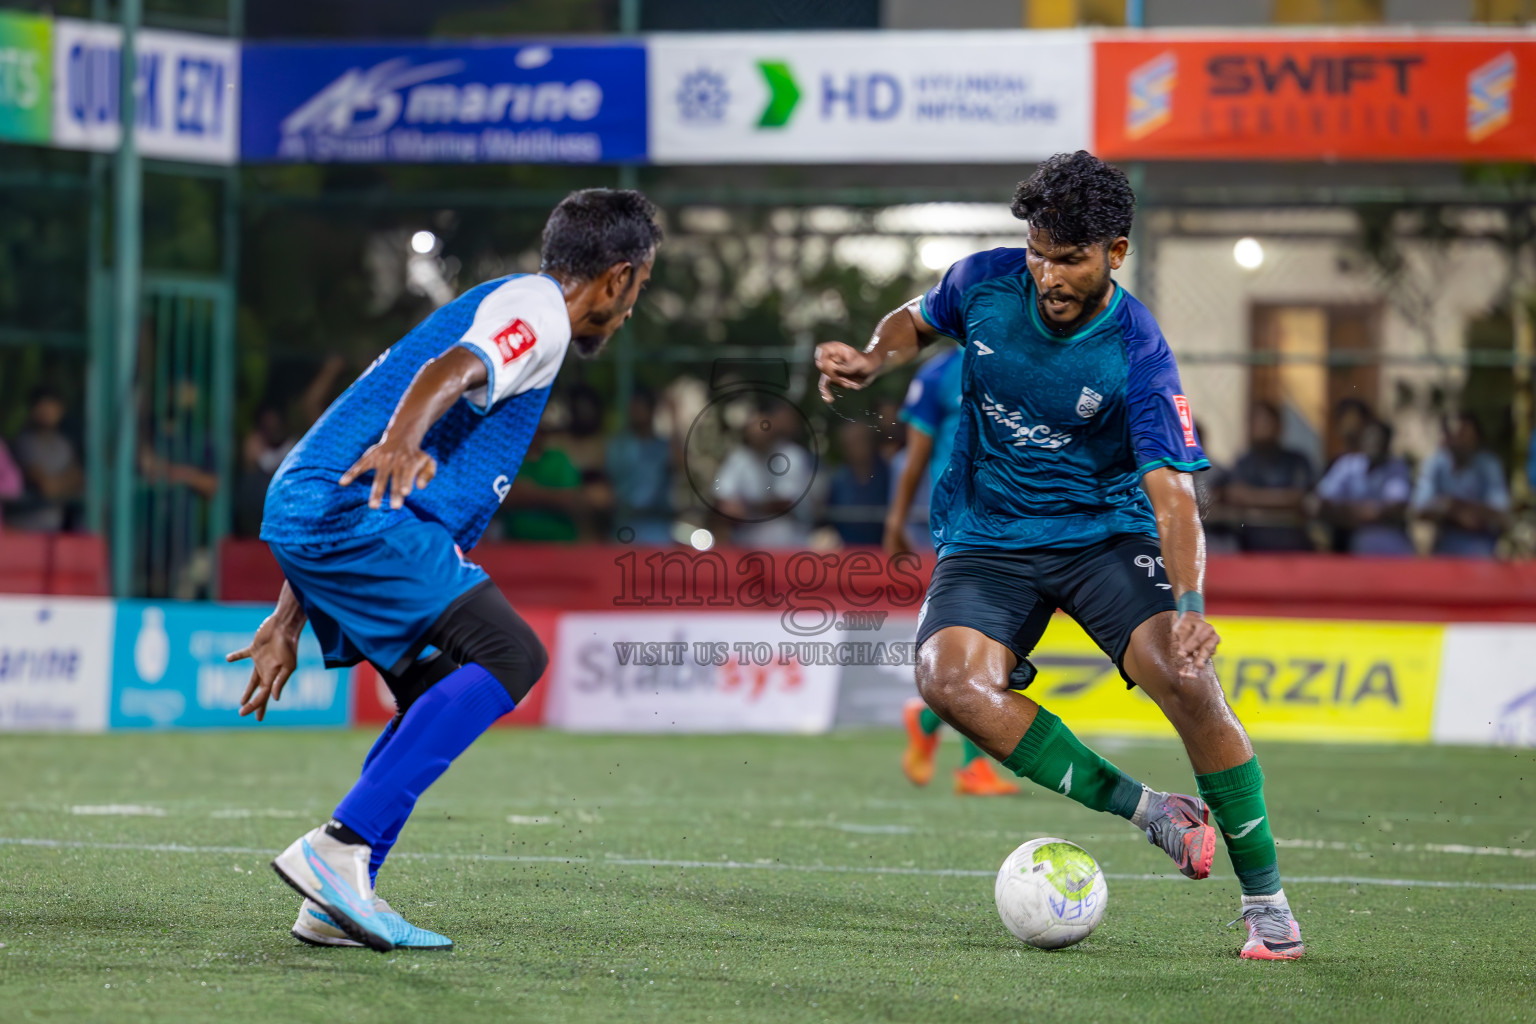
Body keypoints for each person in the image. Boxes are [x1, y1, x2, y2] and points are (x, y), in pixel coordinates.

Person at [814, 151, 1302, 960]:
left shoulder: (1138, 353)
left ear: (1115, 251)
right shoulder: (983, 282)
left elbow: (1173, 496)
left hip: (1101, 536)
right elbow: (914, 317)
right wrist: (873, 356)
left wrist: (1188, 610)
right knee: (947, 681)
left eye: (1068, 257)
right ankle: (1153, 812)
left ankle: (1267, 903)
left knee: (1186, 677)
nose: (1046, 275)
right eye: (1038, 252)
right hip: (988, 536)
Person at [228, 189, 661, 953]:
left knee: (431, 692)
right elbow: (453, 368)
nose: (630, 309)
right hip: (356, 518)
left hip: (324, 515)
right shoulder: (542, 310)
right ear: (620, 277)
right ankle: (339, 851)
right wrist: (402, 440)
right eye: (641, 289)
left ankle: (338, 898)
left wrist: (286, 617)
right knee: (512, 654)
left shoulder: (514, 303)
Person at [885, 345, 1019, 796]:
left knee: (992, 644)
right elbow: (915, 453)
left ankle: (926, 721)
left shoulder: (1020, 359)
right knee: (981, 639)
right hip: (963, 520)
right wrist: (896, 518)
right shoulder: (939, 373)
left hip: (1016, 515)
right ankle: (971, 766)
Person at [713, 399, 816, 547]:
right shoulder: (738, 458)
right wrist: (731, 507)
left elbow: (785, 502)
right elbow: (723, 497)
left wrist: (747, 508)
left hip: (787, 544)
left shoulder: (793, 455)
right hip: (747, 546)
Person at [1412, 412, 1509, 557]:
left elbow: (1500, 514)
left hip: (1482, 546)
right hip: (1444, 545)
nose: (1459, 440)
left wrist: (1450, 506)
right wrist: (1456, 511)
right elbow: (1419, 508)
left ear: (1476, 438)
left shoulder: (1488, 465)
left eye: (1464, 434)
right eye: (1454, 434)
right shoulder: (1436, 462)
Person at [1314, 417, 1415, 555]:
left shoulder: (1397, 467)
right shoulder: (1346, 465)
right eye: (1370, 438)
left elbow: (1395, 506)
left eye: (1379, 439)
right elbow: (1322, 501)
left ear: (1388, 443)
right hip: (1350, 537)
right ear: (1362, 440)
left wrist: (1352, 512)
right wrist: (1362, 513)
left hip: (1389, 536)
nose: (1374, 443)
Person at [1224, 401, 1315, 552]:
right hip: (1252, 544)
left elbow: (1297, 497)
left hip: (1291, 543)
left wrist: (1252, 498)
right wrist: (1279, 499)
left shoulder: (1297, 461)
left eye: (1267, 421)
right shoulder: (1243, 462)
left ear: (1279, 426)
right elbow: (1235, 495)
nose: (1262, 427)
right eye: (1257, 421)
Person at [605, 387, 675, 545]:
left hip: (657, 526)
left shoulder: (664, 447)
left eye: (639, 407)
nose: (635, 412)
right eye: (632, 408)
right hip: (623, 524)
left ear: (651, 410)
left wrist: (673, 416)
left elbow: (681, 466)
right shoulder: (617, 445)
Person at [9, 387, 83, 532]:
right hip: (25, 531)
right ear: (33, 409)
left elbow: (79, 479)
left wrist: (58, 485)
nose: (47, 412)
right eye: (42, 406)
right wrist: (65, 485)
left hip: (56, 530)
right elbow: (46, 487)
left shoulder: (65, 445)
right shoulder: (24, 443)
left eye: (52, 406)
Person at [824, 420, 890, 546]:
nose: (858, 447)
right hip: (847, 551)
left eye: (861, 441)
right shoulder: (837, 480)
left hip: (883, 550)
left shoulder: (888, 474)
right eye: (851, 443)